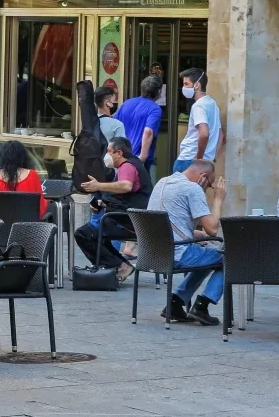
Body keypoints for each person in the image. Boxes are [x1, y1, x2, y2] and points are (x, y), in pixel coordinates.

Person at [149, 160, 226, 326]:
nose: (207, 189)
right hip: (176, 254)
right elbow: (213, 229)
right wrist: (218, 199)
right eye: (209, 185)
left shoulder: (162, 182)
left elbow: (168, 223)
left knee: (207, 255)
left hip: (153, 255)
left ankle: (175, 303)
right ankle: (202, 306)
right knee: (230, 257)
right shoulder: (193, 189)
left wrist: (196, 234)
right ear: (203, 177)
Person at [73, 137, 152, 281]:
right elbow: (124, 197)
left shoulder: (127, 166)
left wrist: (98, 186)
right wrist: (101, 203)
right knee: (95, 236)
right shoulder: (133, 164)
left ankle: (118, 266)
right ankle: (120, 266)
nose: (107, 155)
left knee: (83, 234)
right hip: (132, 219)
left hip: (128, 222)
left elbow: (126, 186)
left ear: (119, 153)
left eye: (109, 151)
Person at [0, 141, 46, 218]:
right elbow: (40, 207)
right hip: (26, 223)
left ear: (1, 157)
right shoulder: (32, 175)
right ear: (23, 157)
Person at [174, 68, 224, 173]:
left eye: (186, 84)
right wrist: (212, 158)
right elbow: (221, 135)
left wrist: (198, 159)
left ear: (197, 85)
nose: (184, 88)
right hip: (207, 163)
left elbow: (204, 133)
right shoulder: (213, 104)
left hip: (188, 160)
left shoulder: (198, 106)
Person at [115, 76, 163, 170]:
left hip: (120, 156)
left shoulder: (127, 103)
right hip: (137, 159)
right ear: (159, 91)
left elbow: (114, 123)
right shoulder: (155, 109)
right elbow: (148, 131)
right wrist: (142, 157)